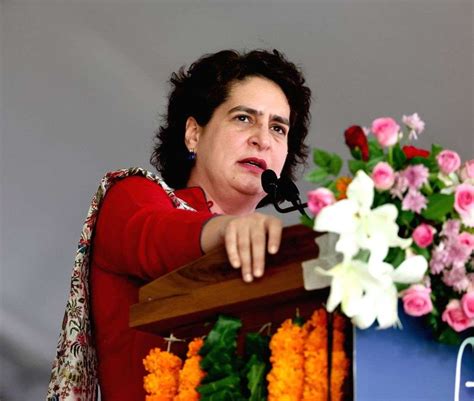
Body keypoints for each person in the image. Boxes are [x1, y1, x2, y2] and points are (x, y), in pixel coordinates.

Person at [47, 49, 311, 401]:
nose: (262, 138)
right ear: (193, 134)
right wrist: (226, 229)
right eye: (244, 118)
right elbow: (156, 234)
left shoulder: (281, 265)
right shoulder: (133, 195)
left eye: (278, 128)